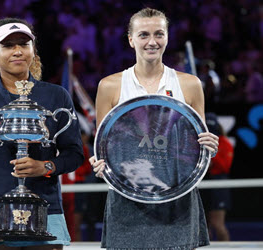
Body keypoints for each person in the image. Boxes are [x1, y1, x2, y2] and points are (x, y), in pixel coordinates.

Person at [89, 8, 219, 249]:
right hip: (127, 196)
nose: (152, 42)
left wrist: (210, 146)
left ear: (167, 37)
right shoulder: (109, 86)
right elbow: (104, 146)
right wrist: (100, 164)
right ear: (131, 39)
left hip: (177, 195)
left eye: (159, 34)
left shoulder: (190, 84)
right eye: (143, 35)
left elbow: (197, 146)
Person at [0, 17, 84, 250]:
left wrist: (45, 167)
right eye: (8, 45)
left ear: (33, 50)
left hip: (46, 212)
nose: (17, 51)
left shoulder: (56, 96)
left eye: (24, 44)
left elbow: (74, 153)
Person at [201, 113, 233, 241]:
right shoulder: (198, 140)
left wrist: (211, 157)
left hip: (218, 185)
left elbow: (224, 166)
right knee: (203, 227)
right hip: (203, 184)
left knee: (218, 224)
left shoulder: (225, 142)